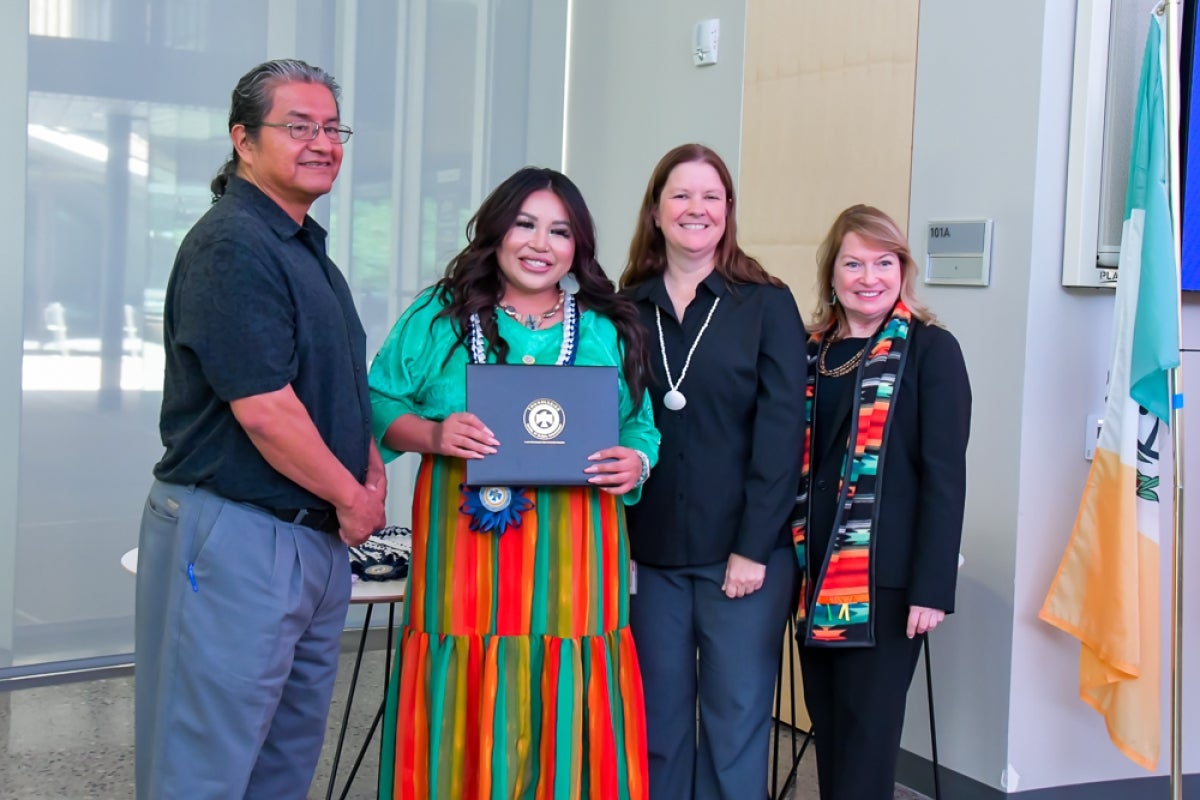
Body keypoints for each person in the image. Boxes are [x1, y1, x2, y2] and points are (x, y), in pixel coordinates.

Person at [134, 59, 387, 800]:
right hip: (240, 534)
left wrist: (367, 470)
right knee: (205, 764)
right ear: (243, 140)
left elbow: (335, 384)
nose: (322, 141)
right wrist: (355, 497)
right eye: (298, 125)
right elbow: (265, 410)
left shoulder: (305, 248)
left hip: (313, 537)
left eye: (332, 127)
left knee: (282, 762)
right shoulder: (233, 245)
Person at [369, 167, 660, 799]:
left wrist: (635, 462)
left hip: (578, 552)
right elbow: (379, 402)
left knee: (568, 674)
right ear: (497, 231)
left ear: (578, 246)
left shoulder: (609, 326)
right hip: (463, 549)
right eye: (525, 224)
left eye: (559, 231)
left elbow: (641, 424)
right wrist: (434, 435)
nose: (540, 243)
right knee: (468, 669)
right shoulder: (439, 316)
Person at [619, 143, 806, 800]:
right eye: (681, 195)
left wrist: (752, 548)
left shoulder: (766, 303)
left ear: (728, 212)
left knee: (735, 727)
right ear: (656, 209)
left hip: (743, 560)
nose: (695, 209)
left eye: (711, 197)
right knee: (657, 729)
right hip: (649, 559)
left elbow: (783, 436)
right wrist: (622, 546)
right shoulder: (624, 309)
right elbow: (612, 427)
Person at [794, 204, 971, 800]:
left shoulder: (931, 350)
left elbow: (945, 476)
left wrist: (932, 586)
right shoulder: (809, 352)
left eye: (883, 262)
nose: (868, 277)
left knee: (868, 745)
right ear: (832, 274)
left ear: (902, 270)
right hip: (813, 577)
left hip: (889, 585)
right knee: (833, 735)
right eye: (853, 263)